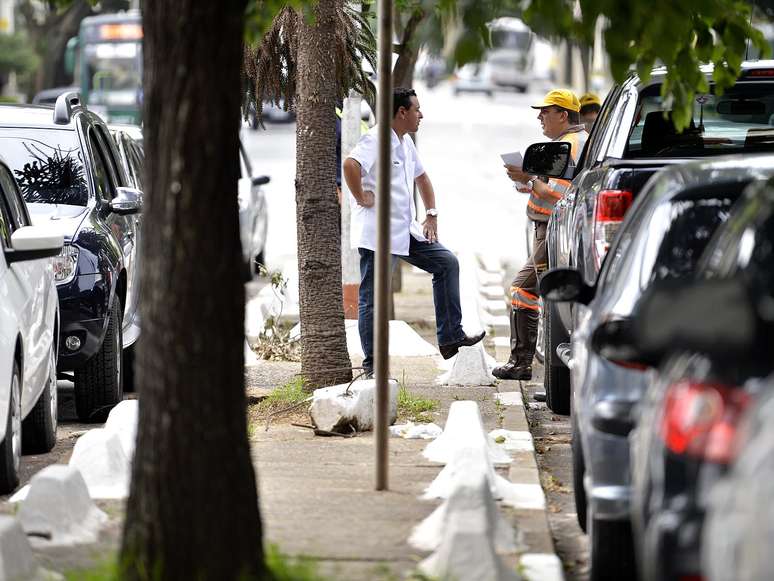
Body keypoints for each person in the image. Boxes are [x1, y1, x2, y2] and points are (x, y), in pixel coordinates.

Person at [343, 87, 484, 376]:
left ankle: (450, 337)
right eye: (417, 109)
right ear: (401, 112)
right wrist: (360, 197)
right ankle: (372, 365)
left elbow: (422, 177)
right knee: (372, 297)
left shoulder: (405, 142)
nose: (421, 114)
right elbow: (350, 164)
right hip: (379, 233)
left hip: (404, 230)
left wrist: (431, 214)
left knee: (446, 263)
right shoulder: (377, 139)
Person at [492, 89, 588, 381]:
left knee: (522, 289)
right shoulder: (567, 143)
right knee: (540, 294)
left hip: (554, 230)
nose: (540, 117)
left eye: (546, 112)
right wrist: (527, 180)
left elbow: (558, 194)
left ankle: (521, 363)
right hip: (548, 229)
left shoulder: (569, 146)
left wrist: (529, 178)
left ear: (563, 115)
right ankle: (526, 363)